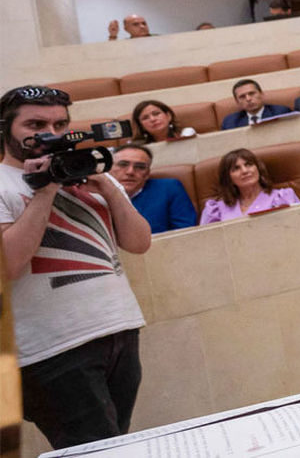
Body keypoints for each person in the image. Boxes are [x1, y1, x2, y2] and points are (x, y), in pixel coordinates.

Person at [0, 85, 151, 449]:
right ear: (5, 129)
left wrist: (107, 185)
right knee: (95, 450)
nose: (50, 134)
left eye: (60, 124)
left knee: (116, 446)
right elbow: (7, 265)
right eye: (35, 124)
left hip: (119, 328)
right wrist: (45, 190)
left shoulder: (87, 170)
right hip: (53, 348)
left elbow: (139, 242)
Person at [108, 145, 197, 234]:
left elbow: (186, 230)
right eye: (123, 164)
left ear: (147, 174)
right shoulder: (98, 195)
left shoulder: (169, 188)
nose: (130, 172)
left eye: (140, 167)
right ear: (109, 169)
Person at [200, 149, 299, 224]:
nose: (245, 171)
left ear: (258, 169)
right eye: (236, 168)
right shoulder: (215, 210)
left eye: (249, 165)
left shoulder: (283, 197)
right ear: (228, 178)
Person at [220, 79, 294, 130]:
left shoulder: (281, 112)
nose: (248, 99)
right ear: (237, 101)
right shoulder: (230, 122)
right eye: (242, 97)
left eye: (251, 93)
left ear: (261, 94)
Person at [130, 100, 196, 144]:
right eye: (145, 118)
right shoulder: (136, 147)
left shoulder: (186, 133)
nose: (152, 119)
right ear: (141, 126)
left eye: (156, 114)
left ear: (168, 116)